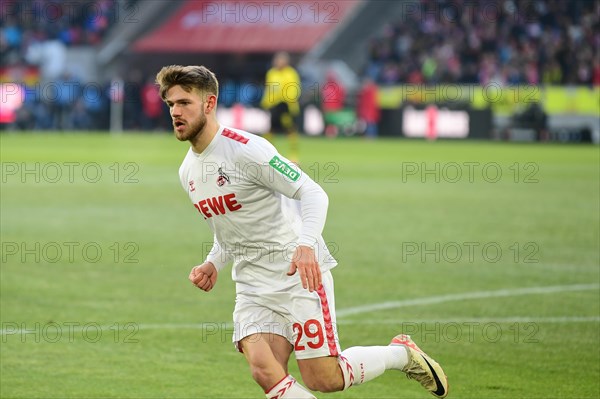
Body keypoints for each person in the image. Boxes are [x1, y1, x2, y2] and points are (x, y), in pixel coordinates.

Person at [155, 65, 449, 399]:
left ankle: (402, 354)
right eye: (170, 104)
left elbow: (313, 193)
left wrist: (307, 246)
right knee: (264, 370)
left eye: (184, 102)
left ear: (209, 104)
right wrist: (212, 262)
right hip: (252, 285)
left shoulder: (247, 149)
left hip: (297, 274)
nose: (176, 112)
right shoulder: (187, 172)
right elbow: (228, 229)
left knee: (324, 379)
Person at [260, 52, 301, 162]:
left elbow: (294, 88)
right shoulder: (271, 73)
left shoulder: (291, 73)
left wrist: (289, 100)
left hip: (286, 104)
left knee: (290, 129)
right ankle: (267, 154)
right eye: (277, 60)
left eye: (280, 60)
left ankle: (293, 155)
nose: (278, 63)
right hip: (274, 105)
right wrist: (265, 102)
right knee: (271, 129)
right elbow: (269, 89)